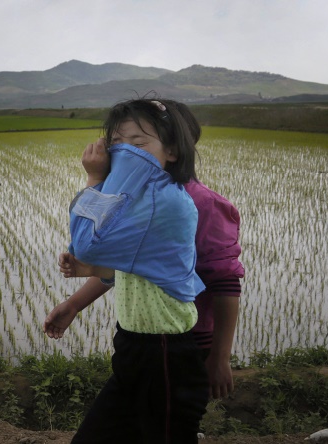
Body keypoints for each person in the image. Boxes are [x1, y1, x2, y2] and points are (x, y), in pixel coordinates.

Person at [45, 98, 221, 443]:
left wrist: (96, 178)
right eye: (117, 144)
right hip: (132, 344)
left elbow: (87, 241)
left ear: (171, 150)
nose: (124, 153)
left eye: (138, 144)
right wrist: (87, 275)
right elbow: (135, 266)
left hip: (166, 353)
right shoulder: (142, 197)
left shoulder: (165, 201)